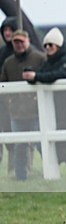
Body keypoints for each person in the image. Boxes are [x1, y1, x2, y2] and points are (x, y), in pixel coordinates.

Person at [23, 28, 66, 178]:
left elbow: (60, 74)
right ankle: (54, 176)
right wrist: (32, 78)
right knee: (51, 144)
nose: (48, 48)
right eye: (46, 45)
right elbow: (43, 75)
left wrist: (36, 77)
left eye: (51, 45)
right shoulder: (49, 62)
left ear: (58, 46)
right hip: (54, 109)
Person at [0, 29, 46, 180]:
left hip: (37, 111)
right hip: (17, 112)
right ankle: (21, 178)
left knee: (42, 145)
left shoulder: (40, 58)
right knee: (19, 146)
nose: (19, 44)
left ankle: (50, 174)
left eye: (21, 41)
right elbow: (3, 85)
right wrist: (10, 102)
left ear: (28, 41)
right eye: (16, 42)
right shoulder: (8, 63)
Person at [0, 16, 18, 173]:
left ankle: (17, 168)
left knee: (17, 134)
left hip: (18, 100)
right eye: (4, 30)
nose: (7, 33)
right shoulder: (2, 52)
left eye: (10, 30)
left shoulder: (24, 52)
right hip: (3, 100)